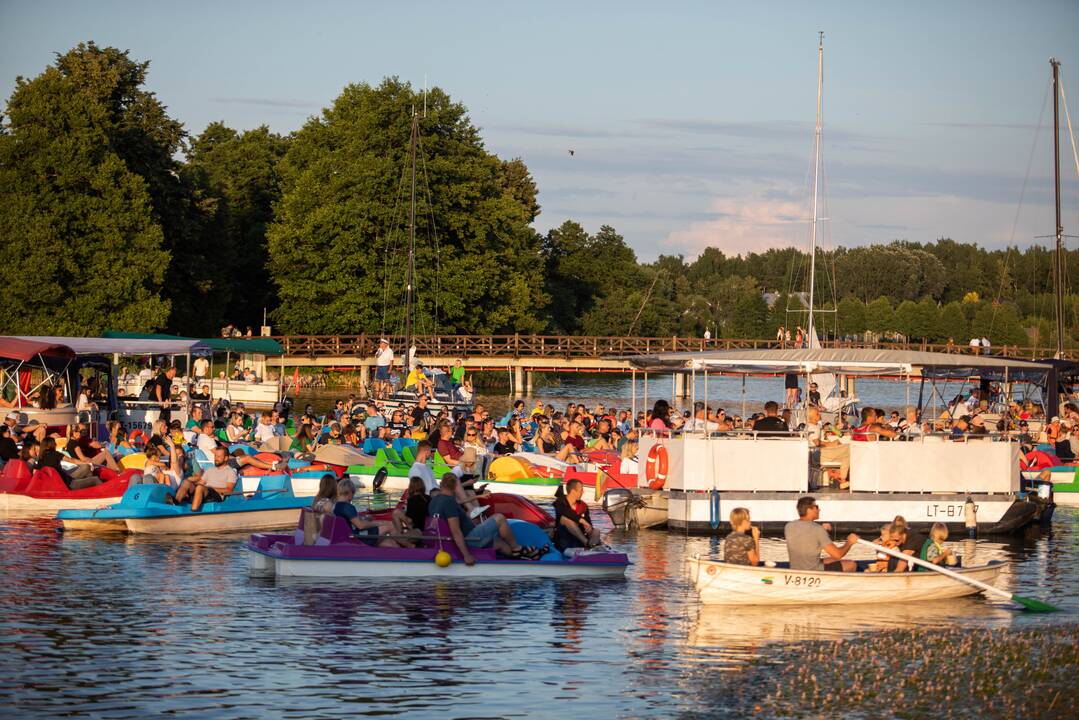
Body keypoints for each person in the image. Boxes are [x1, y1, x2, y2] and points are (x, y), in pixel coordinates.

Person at [427, 474, 540, 564]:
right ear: (456, 487)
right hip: (471, 539)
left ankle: (524, 557)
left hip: (461, 538)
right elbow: (455, 531)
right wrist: (467, 556)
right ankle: (516, 548)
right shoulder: (449, 502)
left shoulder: (435, 500)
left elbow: (453, 513)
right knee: (499, 518)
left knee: (498, 542)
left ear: (441, 484)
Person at [784, 496, 858, 572]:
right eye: (816, 507)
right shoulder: (817, 529)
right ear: (809, 510)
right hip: (813, 571)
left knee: (833, 559)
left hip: (796, 568)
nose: (819, 509)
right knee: (851, 564)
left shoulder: (789, 526)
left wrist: (823, 531)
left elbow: (807, 536)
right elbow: (838, 555)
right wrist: (849, 542)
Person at [331, 479, 400, 546]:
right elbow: (361, 526)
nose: (352, 496)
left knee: (389, 543)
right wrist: (381, 522)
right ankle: (409, 547)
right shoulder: (347, 507)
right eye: (353, 493)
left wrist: (363, 518)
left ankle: (401, 552)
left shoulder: (335, 506)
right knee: (390, 525)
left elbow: (351, 521)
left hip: (345, 537)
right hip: (355, 538)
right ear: (350, 492)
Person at [175, 446, 237, 511]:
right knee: (186, 482)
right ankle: (175, 503)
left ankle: (193, 512)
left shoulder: (230, 471)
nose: (216, 458)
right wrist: (190, 487)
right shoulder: (210, 470)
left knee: (200, 487)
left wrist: (210, 488)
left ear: (226, 458)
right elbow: (201, 482)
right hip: (204, 491)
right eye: (215, 456)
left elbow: (229, 490)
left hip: (216, 495)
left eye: (218, 456)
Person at [552, 479, 601, 550]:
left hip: (579, 541)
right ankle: (587, 544)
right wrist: (582, 520)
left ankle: (593, 548)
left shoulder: (583, 506)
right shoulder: (559, 502)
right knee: (565, 519)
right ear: (573, 491)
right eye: (581, 490)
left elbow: (588, 523)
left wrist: (589, 528)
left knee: (596, 531)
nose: (583, 492)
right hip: (565, 541)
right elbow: (566, 512)